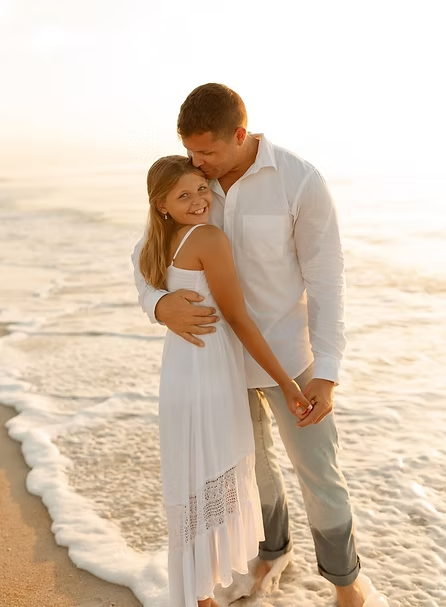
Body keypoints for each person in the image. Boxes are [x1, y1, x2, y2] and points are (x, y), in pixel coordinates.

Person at [132, 84, 364, 607]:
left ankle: (347, 585)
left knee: (318, 473)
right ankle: (273, 550)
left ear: (241, 135)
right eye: (191, 152)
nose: (198, 163)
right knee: (249, 469)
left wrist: (326, 370)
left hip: (288, 355)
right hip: (218, 363)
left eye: (208, 152)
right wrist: (157, 305)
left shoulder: (299, 181)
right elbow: (146, 250)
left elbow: (327, 279)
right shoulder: (195, 184)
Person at [138, 155, 314, 607]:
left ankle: (199, 591)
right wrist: (288, 381)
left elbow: (148, 286)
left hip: (180, 368)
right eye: (185, 195)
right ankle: (202, 596)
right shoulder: (209, 238)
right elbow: (237, 317)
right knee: (214, 474)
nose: (200, 200)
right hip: (211, 369)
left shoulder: (156, 244)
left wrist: (157, 304)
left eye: (201, 188)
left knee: (195, 477)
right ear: (162, 205)